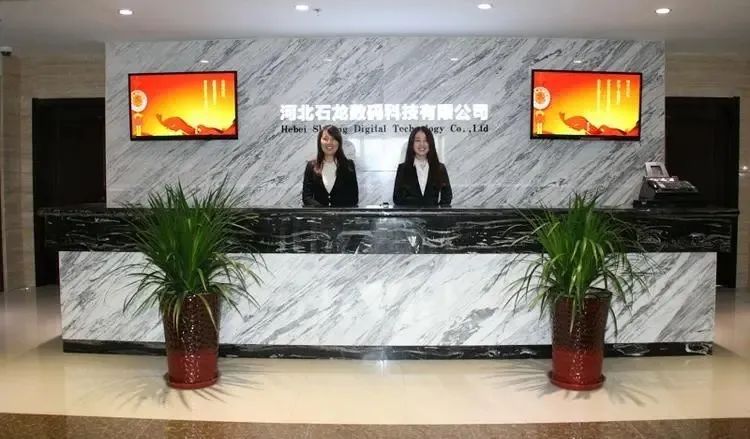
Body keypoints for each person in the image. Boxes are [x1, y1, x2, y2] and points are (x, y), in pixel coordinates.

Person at [393, 126, 452, 207]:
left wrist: (436, 211)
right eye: (417, 140)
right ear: (412, 144)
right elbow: (397, 199)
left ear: (430, 144)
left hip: (433, 215)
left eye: (426, 140)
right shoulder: (403, 168)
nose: (422, 144)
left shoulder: (440, 168)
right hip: (410, 215)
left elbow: (447, 198)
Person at [302, 125, 359, 207]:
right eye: (325, 139)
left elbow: (353, 198)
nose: (329, 142)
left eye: (333, 139)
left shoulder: (348, 165)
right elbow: (307, 197)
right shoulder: (311, 166)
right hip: (318, 214)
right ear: (319, 142)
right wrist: (323, 211)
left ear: (339, 142)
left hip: (342, 214)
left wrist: (337, 212)